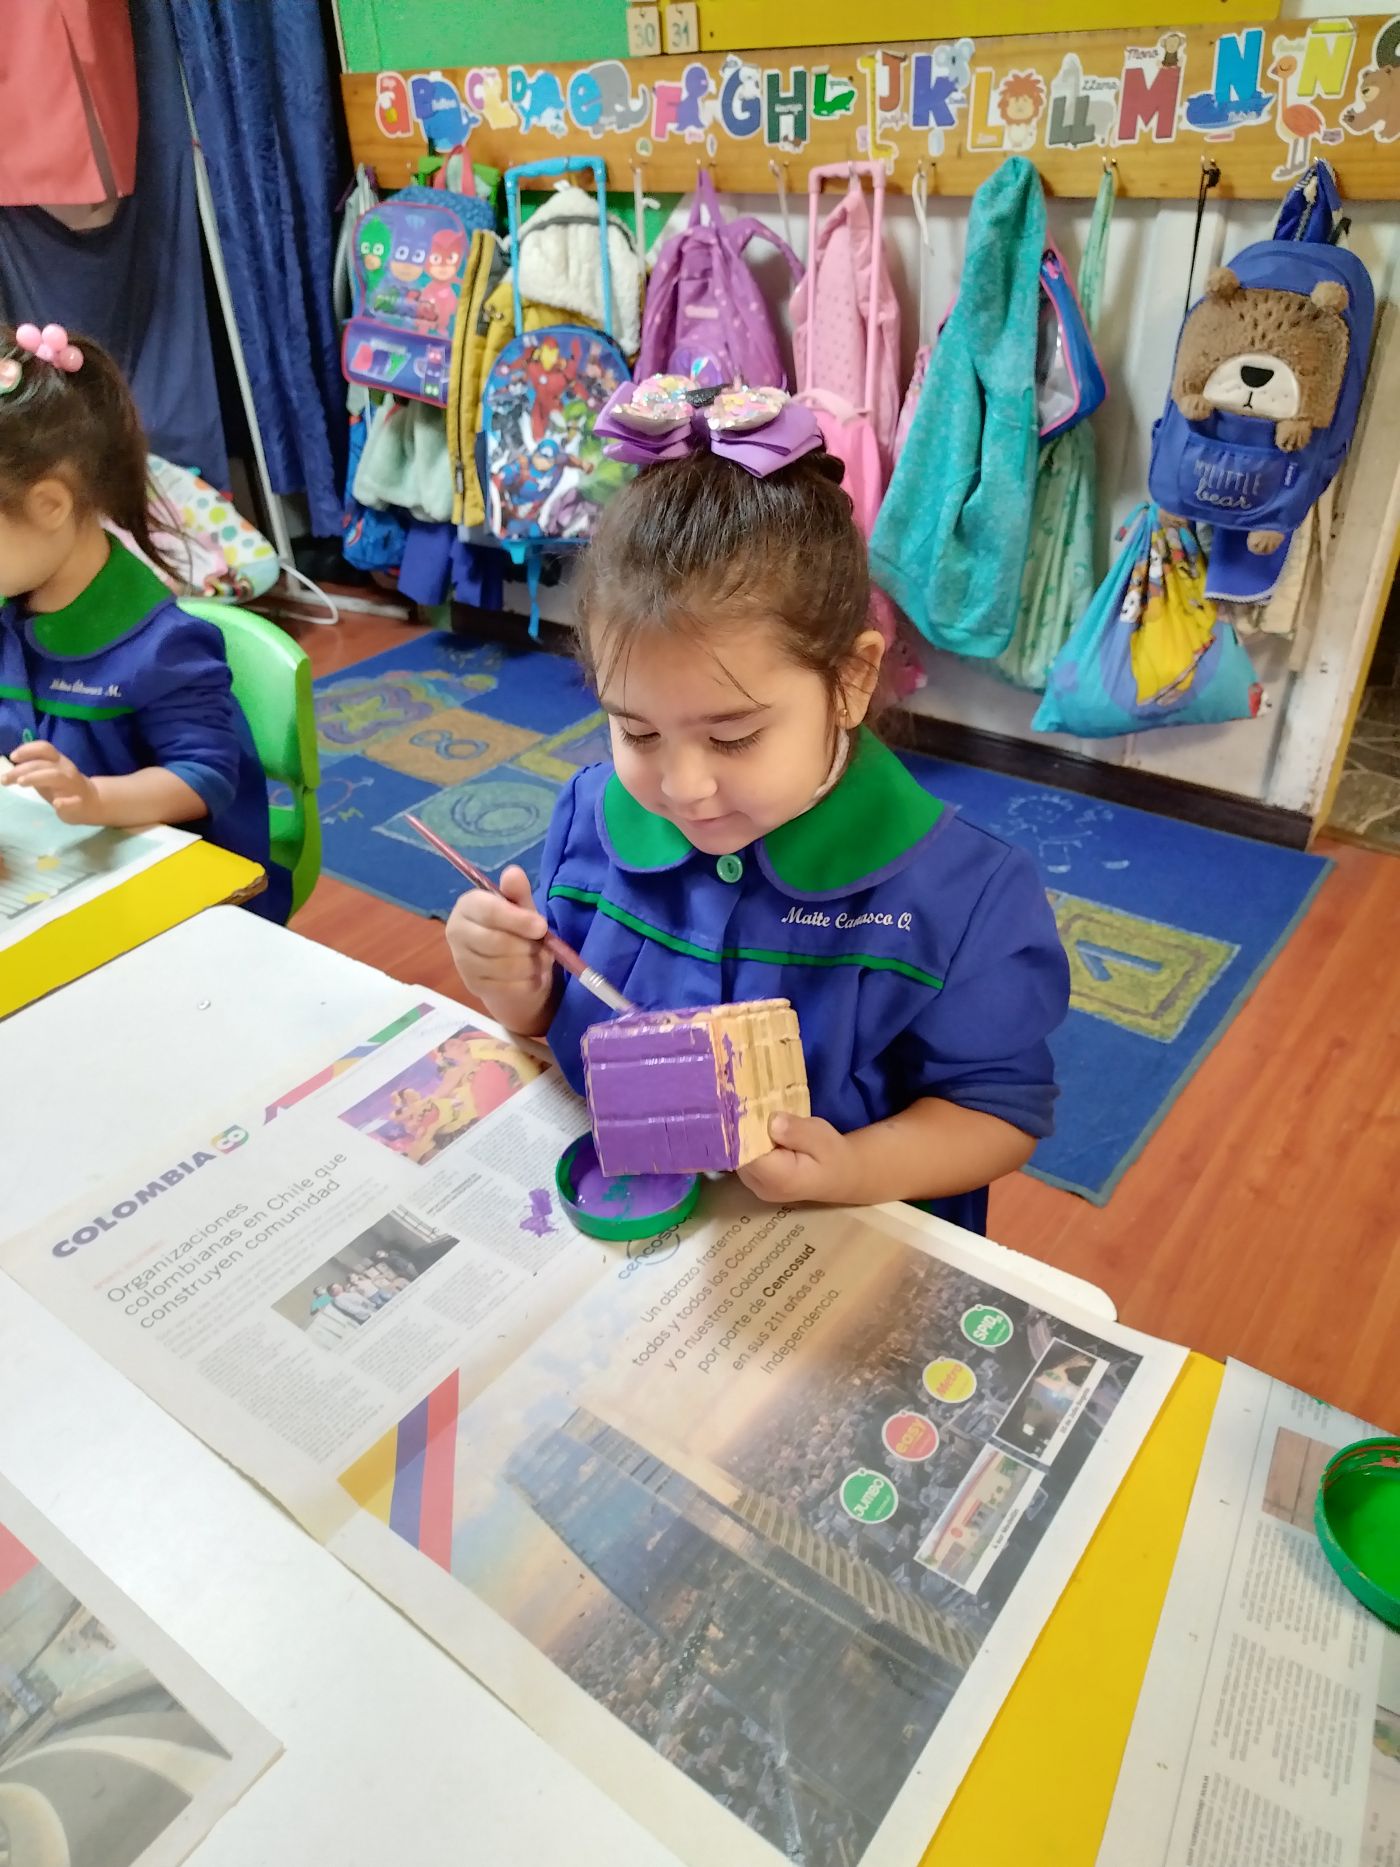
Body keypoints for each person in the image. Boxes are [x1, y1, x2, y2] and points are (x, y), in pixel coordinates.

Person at [445, 381, 1070, 1234]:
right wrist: (518, 993)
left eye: (733, 738)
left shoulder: (963, 897)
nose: (683, 786)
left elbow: (998, 1112)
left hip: (837, 1251)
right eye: (637, 731)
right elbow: (563, 1018)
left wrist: (853, 1167)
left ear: (849, 683)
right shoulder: (590, 819)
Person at [0, 322, 286, 920]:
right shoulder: (13, 602)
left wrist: (90, 796)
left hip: (181, 898)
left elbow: (205, 778)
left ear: (50, 505)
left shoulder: (163, 644)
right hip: (51, 871)